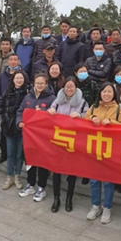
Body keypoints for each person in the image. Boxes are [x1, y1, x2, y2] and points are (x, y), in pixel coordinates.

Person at [85, 83, 121, 224]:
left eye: (109, 92)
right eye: (104, 91)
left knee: (108, 181)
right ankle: (95, 206)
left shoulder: (118, 109)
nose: (107, 94)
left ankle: (107, 208)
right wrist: (92, 118)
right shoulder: (94, 107)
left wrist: (112, 122)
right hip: (94, 149)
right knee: (94, 180)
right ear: (100, 93)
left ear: (114, 94)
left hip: (110, 151)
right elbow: (83, 122)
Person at [47, 78, 88, 212]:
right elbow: (50, 112)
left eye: (72, 87)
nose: (69, 89)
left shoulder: (82, 102)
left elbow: (88, 117)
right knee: (56, 170)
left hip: (74, 142)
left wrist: (80, 116)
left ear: (76, 88)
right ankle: (56, 198)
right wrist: (50, 111)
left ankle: (69, 198)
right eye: (67, 87)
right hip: (58, 141)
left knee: (72, 171)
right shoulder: (57, 101)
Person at [15, 74, 56, 203]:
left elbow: (55, 115)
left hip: (43, 137)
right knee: (30, 160)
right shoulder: (28, 97)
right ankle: (30, 185)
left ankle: (42, 187)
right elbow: (20, 111)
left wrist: (43, 111)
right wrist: (19, 122)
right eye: (37, 83)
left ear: (46, 84)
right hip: (29, 137)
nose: (39, 85)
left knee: (42, 162)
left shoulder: (52, 98)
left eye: (42, 83)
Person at [0, 71, 29, 191]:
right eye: (17, 78)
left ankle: (17, 176)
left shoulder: (27, 94)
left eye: (21, 78)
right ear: (13, 80)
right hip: (9, 127)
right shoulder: (8, 92)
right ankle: (9, 176)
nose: (19, 80)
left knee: (19, 154)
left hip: (22, 127)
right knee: (10, 153)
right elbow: (1, 108)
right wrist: (4, 121)